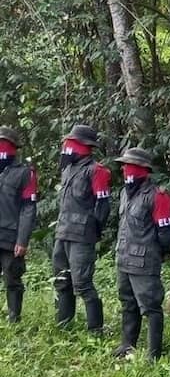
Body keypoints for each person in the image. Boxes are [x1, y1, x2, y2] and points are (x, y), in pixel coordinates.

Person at [111, 148, 170, 361]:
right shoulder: (124, 193)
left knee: (150, 307)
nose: (124, 169)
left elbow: (166, 233)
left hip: (144, 261)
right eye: (124, 166)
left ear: (141, 169)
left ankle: (153, 353)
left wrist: (156, 253)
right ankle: (128, 344)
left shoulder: (157, 196)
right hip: (124, 258)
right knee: (128, 303)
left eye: (128, 166)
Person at [53, 124, 111, 333]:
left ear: (85, 146)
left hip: (82, 236)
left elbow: (103, 206)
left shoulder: (97, 171)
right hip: (63, 232)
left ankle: (96, 329)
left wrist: (92, 231)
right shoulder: (68, 169)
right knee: (61, 281)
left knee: (83, 284)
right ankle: (63, 325)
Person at [0, 127, 38, 323]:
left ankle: (14, 318)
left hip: (10, 237)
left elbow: (28, 209)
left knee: (13, 279)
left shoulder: (25, 173)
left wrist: (22, 240)